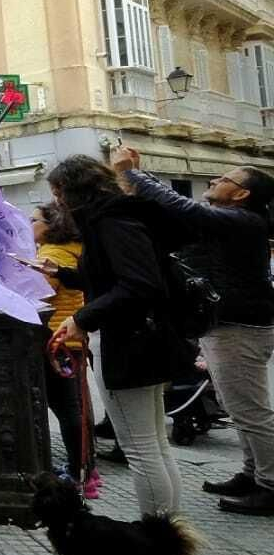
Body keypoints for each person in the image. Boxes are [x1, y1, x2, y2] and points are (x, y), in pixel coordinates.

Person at [113, 147, 274, 514]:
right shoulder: (227, 219)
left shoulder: (244, 221)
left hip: (240, 328)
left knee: (250, 411)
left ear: (242, 194)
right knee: (239, 408)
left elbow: (185, 209)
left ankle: (271, 484)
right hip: (226, 325)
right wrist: (138, 178)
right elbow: (174, 210)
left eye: (225, 179)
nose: (215, 180)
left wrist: (134, 176)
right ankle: (253, 473)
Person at [44, 154, 184, 519]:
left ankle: (158, 542)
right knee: (154, 443)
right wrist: (65, 274)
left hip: (129, 340)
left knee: (141, 448)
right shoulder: (119, 215)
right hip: (143, 337)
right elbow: (112, 277)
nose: (57, 200)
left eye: (59, 191)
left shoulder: (112, 220)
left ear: (76, 189)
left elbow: (138, 284)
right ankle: (171, 535)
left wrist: (82, 317)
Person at [31, 203, 99, 499]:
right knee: (75, 406)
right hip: (71, 339)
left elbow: (38, 294)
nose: (28, 224)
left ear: (51, 225)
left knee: (66, 407)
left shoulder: (53, 254)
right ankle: (84, 467)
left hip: (56, 339)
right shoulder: (74, 249)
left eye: (34, 220)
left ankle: (78, 471)